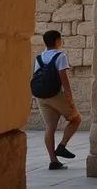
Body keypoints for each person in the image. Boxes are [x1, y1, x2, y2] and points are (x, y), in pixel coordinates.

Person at [32, 30, 81, 170]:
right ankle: (62, 146)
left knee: (50, 126)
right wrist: (70, 98)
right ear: (58, 41)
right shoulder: (61, 56)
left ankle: (53, 160)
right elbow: (63, 78)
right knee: (76, 119)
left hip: (41, 96)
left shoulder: (39, 58)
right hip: (56, 95)